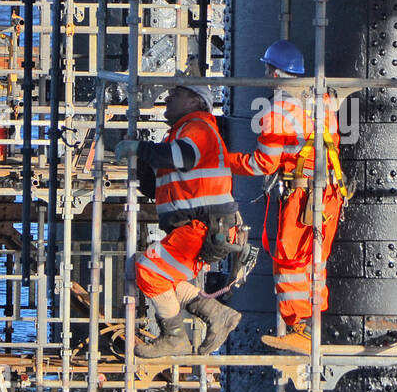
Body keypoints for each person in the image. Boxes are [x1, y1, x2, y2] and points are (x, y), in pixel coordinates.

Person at [227, 39, 348, 348]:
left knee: (290, 259)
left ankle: (299, 328)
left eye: (268, 69)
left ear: (276, 73)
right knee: (314, 260)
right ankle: (312, 323)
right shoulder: (322, 99)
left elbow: (262, 163)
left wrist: (223, 160)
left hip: (302, 196)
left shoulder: (279, 108)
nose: (266, 75)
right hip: (329, 192)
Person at [114, 81, 243, 358]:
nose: (169, 97)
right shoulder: (179, 134)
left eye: (177, 94)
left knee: (149, 269)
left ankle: (175, 337)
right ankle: (215, 314)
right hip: (197, 228)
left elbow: (179, 157)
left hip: (204, 227)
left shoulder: (198, 128)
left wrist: (140, 148)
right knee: (151, 269)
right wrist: (142, 166)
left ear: (196, 102)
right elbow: (158, 185)